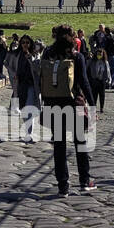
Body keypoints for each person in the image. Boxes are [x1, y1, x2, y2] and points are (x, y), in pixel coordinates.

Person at [39, 24, 95, 195]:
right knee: (80, 143)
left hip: (53, 104)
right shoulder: (76, 57)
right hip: (75, 104)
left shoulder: (48, 54)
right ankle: (84, 181)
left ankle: (63, 184)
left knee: (59, 145)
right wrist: (92, 107)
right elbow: (84, 82)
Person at [87, 47, 111, 114]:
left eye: (100, 54)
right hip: (94, 80)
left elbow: (108, 71)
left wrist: (109, 80)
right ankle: (93, 107)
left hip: (102, 80)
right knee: (94, 94)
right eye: (98, 53)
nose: (99, 55)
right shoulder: (92, 61)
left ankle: (101, 108)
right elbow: (87, 66)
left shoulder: (105, 62)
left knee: (102, 95)